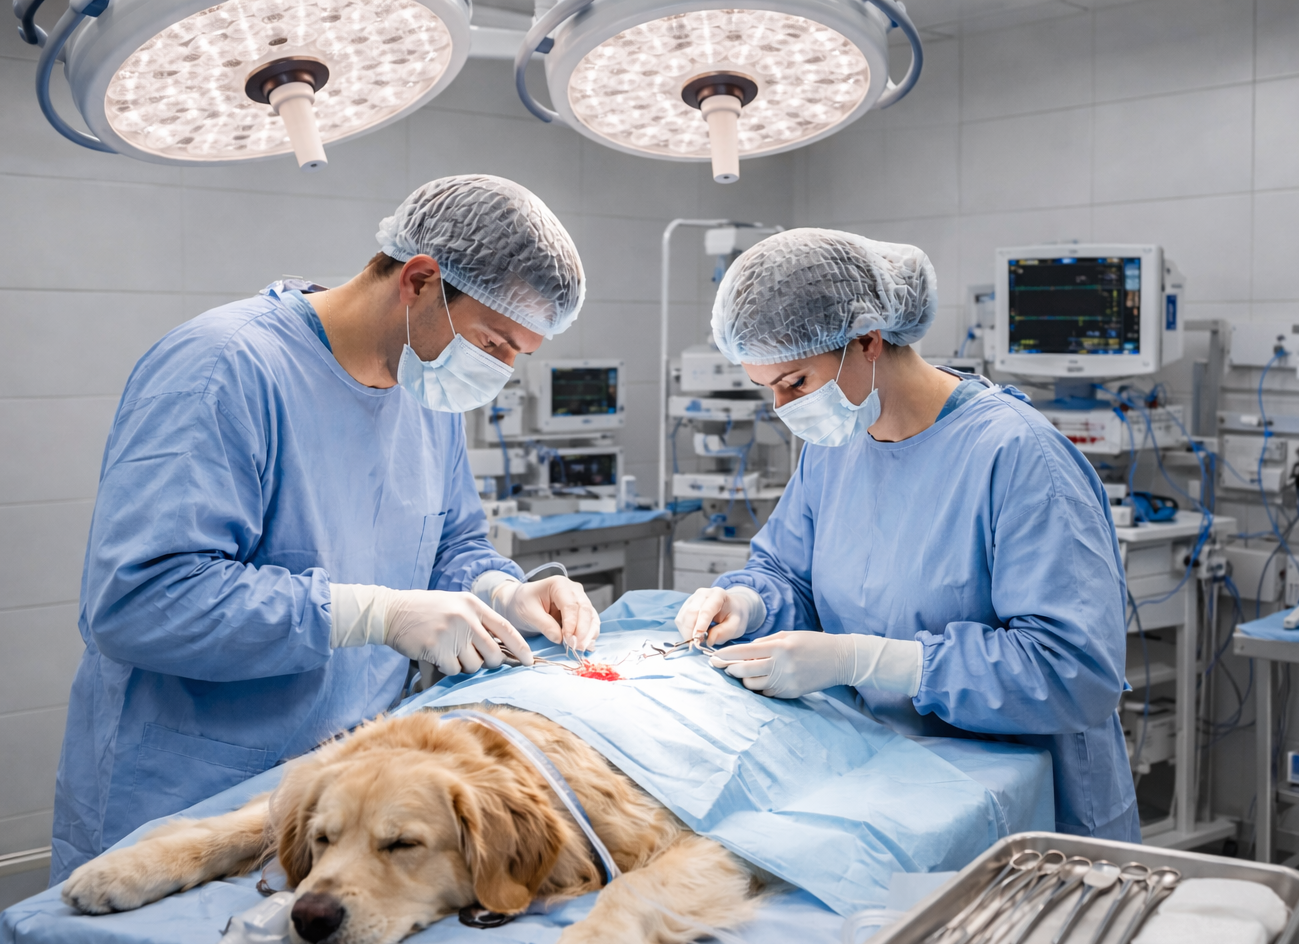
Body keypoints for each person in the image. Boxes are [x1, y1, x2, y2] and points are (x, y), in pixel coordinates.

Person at [51, 175, 601, 881]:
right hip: (186, 795)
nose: (500, 370)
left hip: (345, 802)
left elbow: (451, 544)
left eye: (518, 353)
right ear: (421, 281)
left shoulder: (426, 392)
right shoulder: (224, 369)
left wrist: (502, 593)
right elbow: (139, 602)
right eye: (495, 341)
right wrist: (375, 613)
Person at [675, 229, 1138, 841]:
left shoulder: (1018, 455)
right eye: (770, 392)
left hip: (1031, 821)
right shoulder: (836, 447)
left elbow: (1073, 671)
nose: (785, 410)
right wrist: (746, 602)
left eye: (795, 384)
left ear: (868, 340)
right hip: (896, 792)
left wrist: (864, 660)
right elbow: (789, 573)